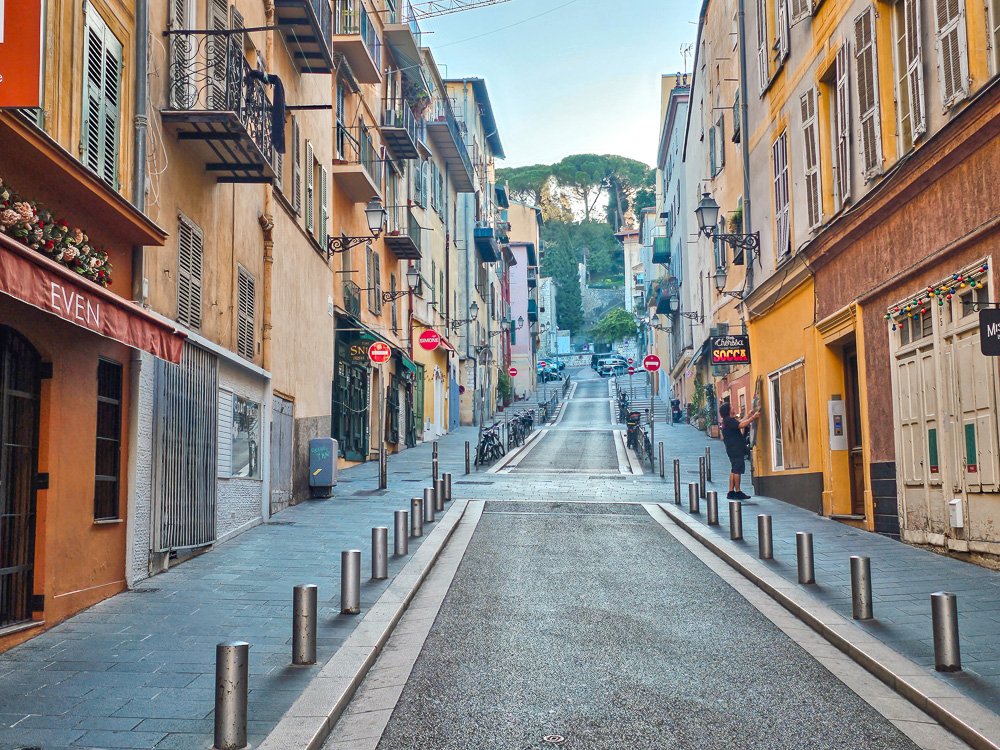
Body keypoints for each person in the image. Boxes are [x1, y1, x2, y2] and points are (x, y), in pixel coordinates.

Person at [720, 402, 760, 500]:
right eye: (732, 407)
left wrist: (748, 415)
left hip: (731, 448)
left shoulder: (726, 421)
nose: (733, 408)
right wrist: (753, 418)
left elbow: (739, 423)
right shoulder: (729, 420)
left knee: (734, 469)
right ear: (729, 410)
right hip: (736, 448)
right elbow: (741, 425)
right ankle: (738, 491)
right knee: (737, 470)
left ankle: (730, 491)